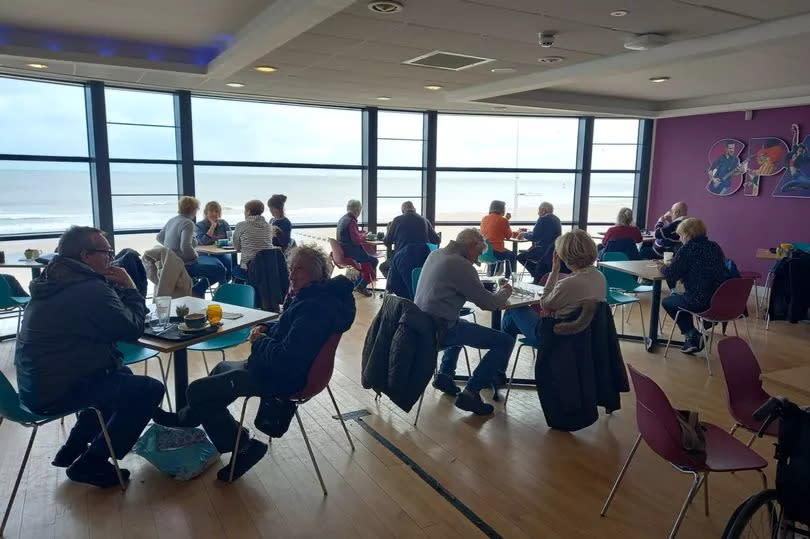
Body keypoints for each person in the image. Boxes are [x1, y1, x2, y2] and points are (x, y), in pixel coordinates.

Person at [153, 245, 356, 481]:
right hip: (281, 368)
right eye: (291, 269)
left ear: (319, 272)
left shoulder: (314, 308)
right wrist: (267, 328)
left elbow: (285, 357)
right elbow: (289, 333)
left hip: (283, 377)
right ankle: (186, 420)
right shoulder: (314, 297)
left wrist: (259, 341)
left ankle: (245, 446)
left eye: (298, 269)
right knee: (220, 371)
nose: (291, 275)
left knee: (197, 391)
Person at [14, 226, 164, 488]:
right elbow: (131, 329)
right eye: (106, 252)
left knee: (121, 377)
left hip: (35, 384)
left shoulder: (54, 280)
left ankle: (73, 447)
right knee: (150, 390)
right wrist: (129, 287)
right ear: (86, 255)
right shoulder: (88, 288)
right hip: (57, 391)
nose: (111, 257)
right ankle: (91, 462)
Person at [414, 228, 515, 415]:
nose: (477, 260)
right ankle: (472, 391)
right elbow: (489, 304)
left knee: (460, 322)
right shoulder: (460, 264)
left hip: (421, 325)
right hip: (440, 329)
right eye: (477, 253)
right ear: (471, 246)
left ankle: (445, 375)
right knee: (505, 341)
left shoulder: (436, 254)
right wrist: (506, 291)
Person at [502, 230, 606, 341]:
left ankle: (503, 349)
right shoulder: (600, 277)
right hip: (585, 336)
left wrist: (555, 270)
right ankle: (505, 344)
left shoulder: (569, 284)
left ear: (565, 256)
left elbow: (544, 303)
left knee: (513, 308)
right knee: (510, 321)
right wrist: (553, 311)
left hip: (555, 337)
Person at [658, 218, 727, 354]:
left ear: (687, 234)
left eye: (681, 235)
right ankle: (693, 338)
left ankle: (692, 335)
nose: (680, 238)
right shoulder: (714, 246)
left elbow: (671, 274)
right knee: (682, 299)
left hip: (699, 300)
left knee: (669, 301)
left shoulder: (688, 248)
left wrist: (663, 267)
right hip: (719, 299)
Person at [157, 196, 227, 297]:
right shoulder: (188, 223)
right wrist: (194, 256)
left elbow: (159, 237)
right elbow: (185, 247)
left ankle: (200, 291)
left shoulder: (172, 220)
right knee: (220, 270)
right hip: (185, 264)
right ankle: (197, 290)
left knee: (218, 265)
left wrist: (171, 249)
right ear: (193, 209)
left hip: (171, 263)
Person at [337, 199, 378, 297]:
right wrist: (364, 236)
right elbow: (355, 240)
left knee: (367, 259)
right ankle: (361, 286)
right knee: (374, 261)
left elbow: (350, 235)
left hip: (344, 250)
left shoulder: (343, 219)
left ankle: (358, 285)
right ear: (357, 210)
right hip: (351, 252)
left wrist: (360, 234)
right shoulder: (351, 221)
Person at [516, 201, 561, 283]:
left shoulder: (543, 218)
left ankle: (537, 275)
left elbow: (535, 237)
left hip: (542, 251)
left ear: (544, 210)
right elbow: (540, 234)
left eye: (539, 210)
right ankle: (539, 275)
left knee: (520, 257)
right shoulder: (557, 219)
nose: (538, 213)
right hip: (553, 251)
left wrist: (523, 234)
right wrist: (526, 233)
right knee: (530, 255)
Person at [232, 199, 275, 282]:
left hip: (249, 269)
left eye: (245, 210)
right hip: (267, 269)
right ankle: (248, 291)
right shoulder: (269, 226)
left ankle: (240, 292)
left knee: (235, 269)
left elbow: (237, 247)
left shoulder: (241, 225)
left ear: (248, 212)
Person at [194, 200, 233, 282]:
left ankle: (221, 288)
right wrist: (213, 226)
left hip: (221, 253)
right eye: (211, 211)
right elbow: (202, 242)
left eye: (217, 211)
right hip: (205, 254)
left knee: (230, 265)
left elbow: (231, 239)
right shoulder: (200, 225)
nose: (214, 214)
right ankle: (221, 289)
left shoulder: (224, 223)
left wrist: (225, 242)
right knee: (219, 268)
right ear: (206, 212)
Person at [480, 200, 520, 278]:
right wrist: (507, 220)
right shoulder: (503, 220)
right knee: (512, 255)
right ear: (502, 209)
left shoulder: (484, 218)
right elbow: (509, 236)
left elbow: (495, 228)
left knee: (498, 252)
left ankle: (492, 275)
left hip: (484, 252)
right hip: (495, 253)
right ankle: (507, 278)